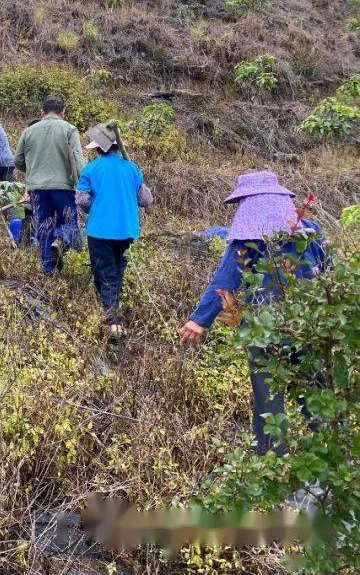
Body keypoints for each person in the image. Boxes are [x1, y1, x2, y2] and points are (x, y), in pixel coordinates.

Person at [179, 172, 328, 456]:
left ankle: (271, 463)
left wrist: (199, 320)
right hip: (311, 326)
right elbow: (330, 273)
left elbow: (224, 283)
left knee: (268, 401)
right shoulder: (312, 231)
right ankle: (333, 455)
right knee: (317, 394)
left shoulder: (246, 242)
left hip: (264, 332)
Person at [75, 122, 153, 337]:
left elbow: (82, 201)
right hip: (127, 229)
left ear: (98, 149)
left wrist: (97, 207)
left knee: (106, 272)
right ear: (118, 147)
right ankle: (109, 309)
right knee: (116, 269)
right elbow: (145, 200)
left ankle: (112, 321)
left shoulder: (91, 169)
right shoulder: (132, 168)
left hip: (100, 230)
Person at [13, 95, 85, 274]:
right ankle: (59, 241)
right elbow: (78, 160)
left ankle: (48, 269)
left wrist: (33, 171)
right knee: (69, 222)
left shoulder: (29, 131)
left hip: (37, 189)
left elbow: (18, 160)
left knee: (43, 226)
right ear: (63, 112)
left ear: (42, 112)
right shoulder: (69, 129)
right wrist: (83, 184)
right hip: (63, 187)